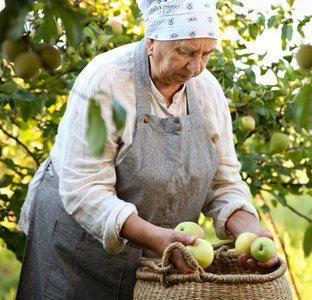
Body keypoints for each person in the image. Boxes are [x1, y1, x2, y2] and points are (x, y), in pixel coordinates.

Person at [16, 0, 278, 299]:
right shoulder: (107, 82)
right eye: (186, 52)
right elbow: (85, 188)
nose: (196, 68)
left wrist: (250, 231)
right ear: (151, 41)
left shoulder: (206, 90)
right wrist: (155, 237)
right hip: (79, 252)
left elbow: (223, 184)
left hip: (158, 257)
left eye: (206, 54)